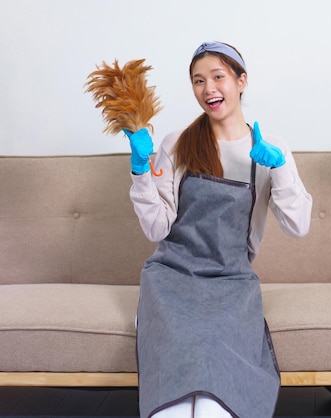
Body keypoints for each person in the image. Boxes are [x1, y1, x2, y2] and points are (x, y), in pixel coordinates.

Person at [126, 41, 312, 418]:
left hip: (231, 281)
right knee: (176, 396)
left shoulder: (271, 148)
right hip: (171, 280)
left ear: (241, 81)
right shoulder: (177, 143)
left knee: (214, 393)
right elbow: (157, 227)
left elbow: (298, 226)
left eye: (218, 77)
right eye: (198, 81)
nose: (208, 88)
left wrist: (279, 169)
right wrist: (141, 171)